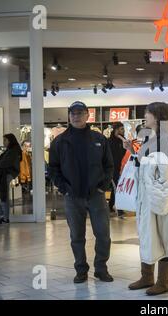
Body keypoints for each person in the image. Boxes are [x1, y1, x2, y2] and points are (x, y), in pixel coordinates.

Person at [124, 102, 168, 296]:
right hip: (150, 194)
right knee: (149, 233)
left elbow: (162, 167)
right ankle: (147, 276)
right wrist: (132, 151)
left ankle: (162, 282)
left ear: (157, 116)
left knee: (163, 235)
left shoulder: (164, 139)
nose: (144, 116)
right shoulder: (152, 137)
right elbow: (146, 163)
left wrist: (139, 156)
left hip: (161, 195)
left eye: (147, 113)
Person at [49, 101, 114, 284]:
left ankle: (101, 268)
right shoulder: (60, 141)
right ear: (69, 116)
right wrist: (64, 188)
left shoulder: (99, 139)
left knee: (103, 235)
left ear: (87, 115)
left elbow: (109, 166)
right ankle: (81, 270)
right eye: (73, 113)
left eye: (80, 113)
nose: (76, 116)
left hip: (96, 195)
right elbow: (53, 168)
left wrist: (103, 185)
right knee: (77, 236)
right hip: (72, 196)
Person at [0, 134, 22, 225]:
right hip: (5, 174)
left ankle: (4, 216)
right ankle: (2, 215)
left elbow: (2, 164)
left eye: (5, 140)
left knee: (3, 195)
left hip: (6, 174)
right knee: (1, 194)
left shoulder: (13, 151)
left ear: (10, 141)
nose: (4, 142)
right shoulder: (11, 150)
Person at [108, 122, 126, 215]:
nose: (123, 131)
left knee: (117, 187)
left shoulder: (123, 140)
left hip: (122, 168)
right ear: (116, 129)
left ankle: (110, 206)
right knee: (117, 187)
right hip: (113, 168)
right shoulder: (109, 141)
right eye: (121, 129)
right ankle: (120, 209)